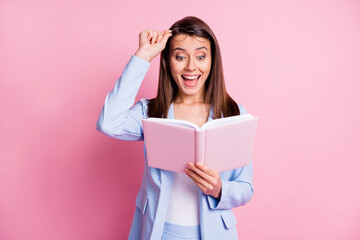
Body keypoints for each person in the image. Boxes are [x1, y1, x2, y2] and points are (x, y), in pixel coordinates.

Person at [97, 16, 253, 240]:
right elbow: (109, 123)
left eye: (201, 56)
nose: (191, 66)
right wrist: (143, 56)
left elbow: (245, 188)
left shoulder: (232, 112)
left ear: (212, 61)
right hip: (160, 232)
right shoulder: (151, 111)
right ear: (168, 61)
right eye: (180, 57)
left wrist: (219, 189)